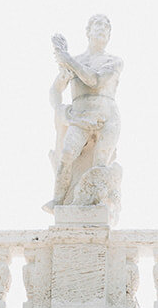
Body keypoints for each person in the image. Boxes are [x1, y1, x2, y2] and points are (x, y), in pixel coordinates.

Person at [46, 14, 122, 208]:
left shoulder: (114, 61)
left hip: (107, 117)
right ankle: (59, 200)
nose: (102, 29)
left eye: (106, 27)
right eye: (98, 25)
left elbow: (94, 81)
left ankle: (97, 202)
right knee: (67, 154)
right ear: (88, 32)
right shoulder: (76, 60)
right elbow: (55, 89)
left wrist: (66, 58)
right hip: (80, 117)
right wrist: (60, 109)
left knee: (100, 163)